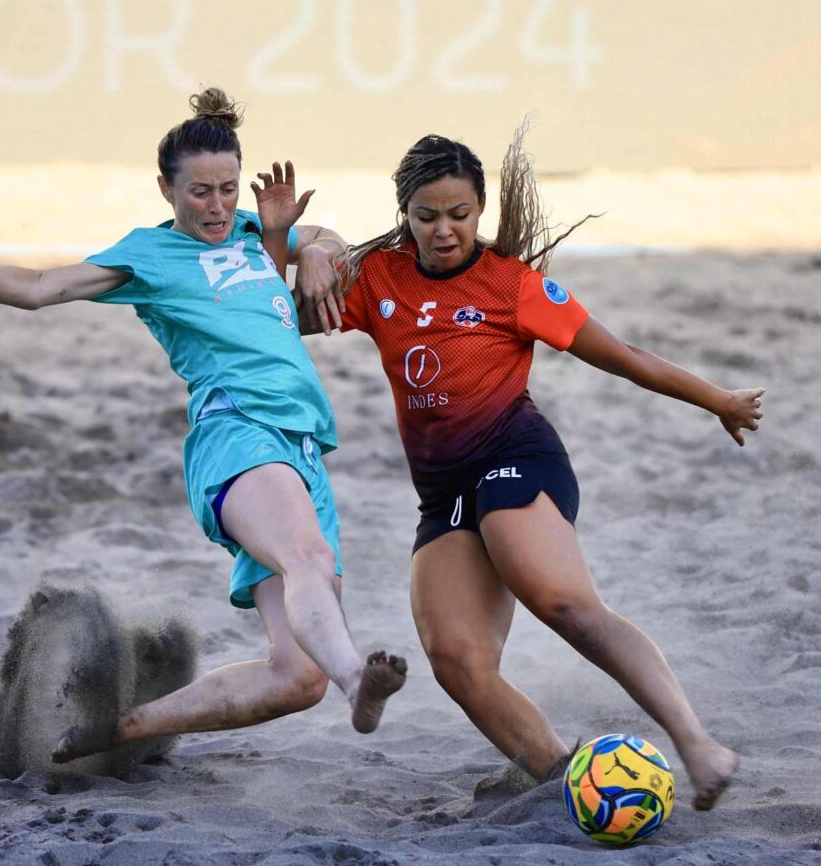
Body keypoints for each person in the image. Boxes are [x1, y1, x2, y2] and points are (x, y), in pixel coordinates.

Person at [0, 88, 407, 763]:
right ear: (166, 189)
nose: (216, 207)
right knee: (306, 559)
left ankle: (116, 730)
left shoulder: (256, 232)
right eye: (200, 193)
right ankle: (356, 679)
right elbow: (44, 288)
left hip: (303, 448)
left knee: (297, 677)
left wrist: (312, 249)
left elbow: (328, 240)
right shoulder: (150, 255)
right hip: (238, 436)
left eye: (227, 190)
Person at [294, 124, 763, 810]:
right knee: (457, 661)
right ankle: (562, 777)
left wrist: (718, 400)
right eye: (427, 217)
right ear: (405, 216)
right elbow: (286, 313)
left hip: (515, 458)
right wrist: (308, 248)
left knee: (564, 604)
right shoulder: (380, 278)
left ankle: (696, 743)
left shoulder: (512, 285)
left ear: (480, 209)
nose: (445, 231)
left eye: (460, 214)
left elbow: (626, 356)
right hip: (445, 494)